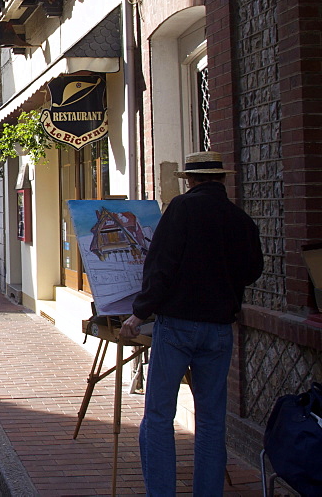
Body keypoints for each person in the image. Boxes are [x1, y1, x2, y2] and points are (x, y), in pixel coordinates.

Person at [120, 151, 263, 496]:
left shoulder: (181, 209)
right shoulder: (239, 218)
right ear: (221, 180)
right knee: (212, 423)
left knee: (158, 417)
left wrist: (140, 313)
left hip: (178, 326)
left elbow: (161, 266)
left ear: (192, 180)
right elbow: (253, 270)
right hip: (218, 329)